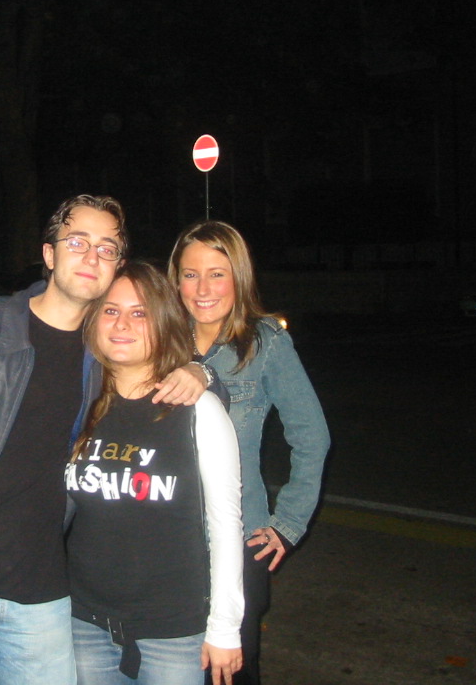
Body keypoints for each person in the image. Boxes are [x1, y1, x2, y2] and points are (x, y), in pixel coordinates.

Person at [0, 194, 210, 685]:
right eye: (77, 242)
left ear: (118, 266)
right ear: (49, 254)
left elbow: (166, 361)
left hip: (43, 598)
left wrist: (201, 371)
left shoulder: (103, 357)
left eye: (107, 248)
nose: (92, 256)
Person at [169, 221, 330, 685]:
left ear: (239, 277)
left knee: (229, 672)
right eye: (190, 274)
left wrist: (288, 524)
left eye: (217, 274)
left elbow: (312, 436)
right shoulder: (158, 339)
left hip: (239, 540)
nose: (203, 289)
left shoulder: (265, 343)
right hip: (166, 543)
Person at [67, 262, 244, 685]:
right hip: (83, 621)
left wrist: (225, 627)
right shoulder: (78, 406)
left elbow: (225, 524)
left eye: (140, 313)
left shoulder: (198, 410)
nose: (122, 324)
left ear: (163, 323)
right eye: (111, 311)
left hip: (173, 630)